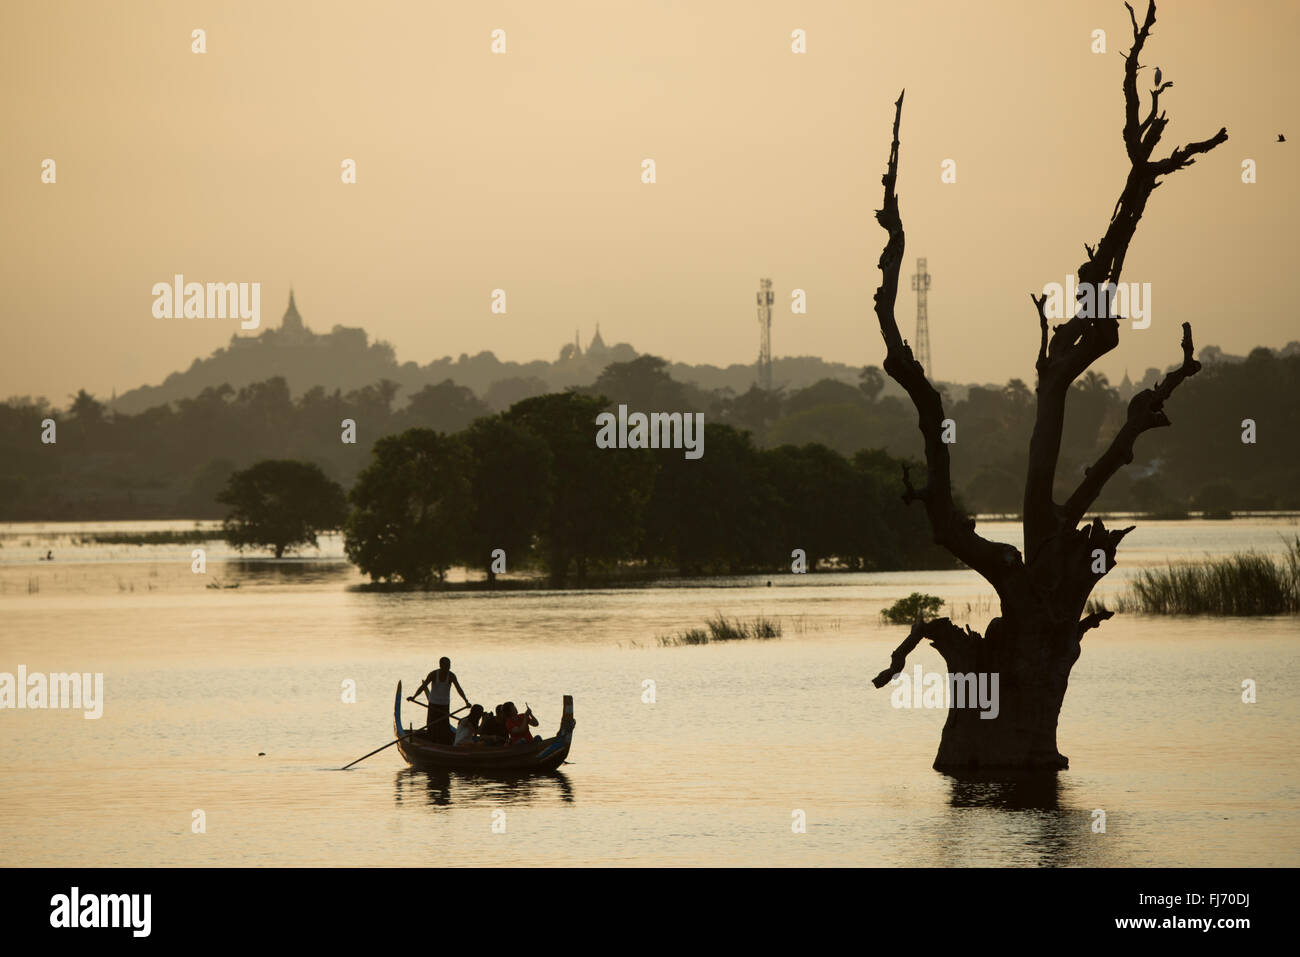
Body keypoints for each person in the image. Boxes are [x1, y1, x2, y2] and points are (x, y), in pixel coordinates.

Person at [412, 658, 469, 745]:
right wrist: (414, 697)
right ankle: (431, 742)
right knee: (431, 725)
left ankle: (444, 743)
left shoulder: (451, 676)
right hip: (433, 704)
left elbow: (459, 689)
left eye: (449, 665)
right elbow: (423, 686)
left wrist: (466, 701)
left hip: (444, 705)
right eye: (446, 665)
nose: (448, 667)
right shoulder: (433, 674)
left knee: (444, 726)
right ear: (441, 665)